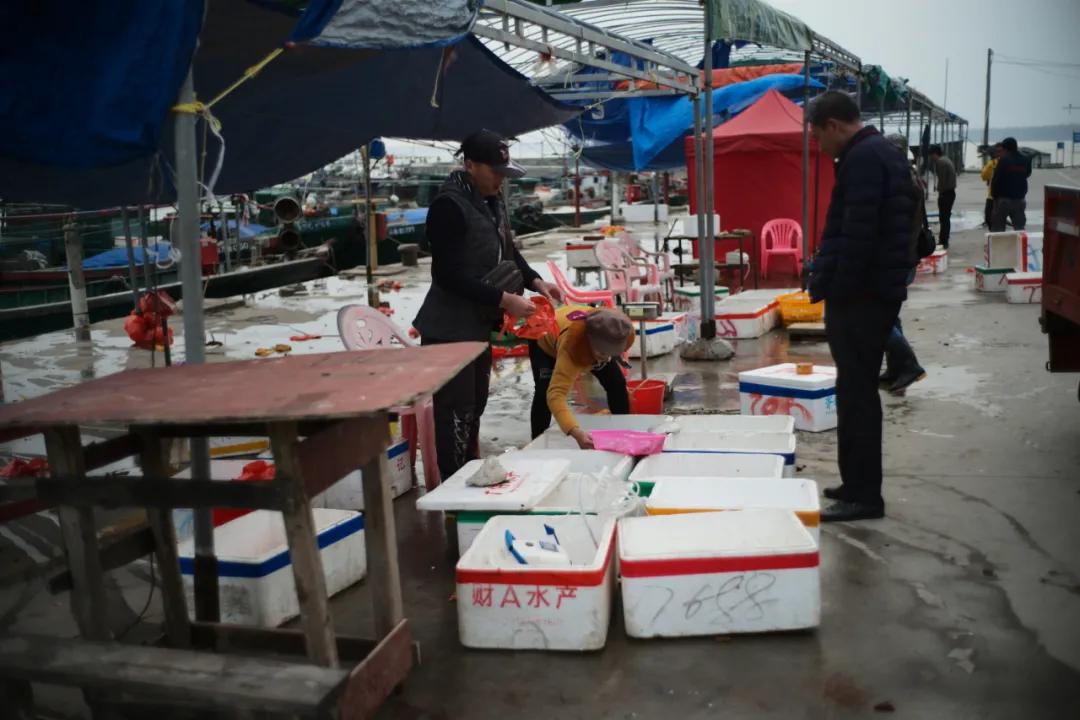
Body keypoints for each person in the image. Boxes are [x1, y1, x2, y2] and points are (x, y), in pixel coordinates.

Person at [414, 129, 563, 479]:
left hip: (477, 325)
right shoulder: (448, 207)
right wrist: (505, 299)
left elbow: (510, 252)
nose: (500, 179)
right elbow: (446, 274)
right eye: (494, 171)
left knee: (475, 406)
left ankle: (469, 476)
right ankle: (453, 491)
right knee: (455, 412)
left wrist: (536, 281)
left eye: (504, 172)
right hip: (449, 330)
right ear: (470, 165)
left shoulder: (492, 201)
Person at [806, 91, 918, 523]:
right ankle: (854, 482)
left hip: (863, 297)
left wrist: (839, 289)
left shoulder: (864, 159)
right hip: (874, 293)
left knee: (857, 396)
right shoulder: (876, 153)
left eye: (817, 134)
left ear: (834, 125)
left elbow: (858, 237)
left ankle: (865, 495)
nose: (818, 144)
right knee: (854, 392)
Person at [529, 306, 634, 449]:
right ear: (590, 343)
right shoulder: (572, 347)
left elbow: (609, 358)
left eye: (612, 353)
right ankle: (537, 445)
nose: (608, 359)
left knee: (616, 382)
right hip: (543, 337)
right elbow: (556, 395)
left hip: (590, 338)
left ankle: (623, 432)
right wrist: (576, 432)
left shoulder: (613, 331)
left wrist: (608, 354)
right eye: (603, 353)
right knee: (544, 392)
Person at [882, 134, 928, 395]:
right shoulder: (910, 177)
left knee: (879, 319)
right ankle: (897, 367)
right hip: (903, 258)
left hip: (897, 260)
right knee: (890, 315)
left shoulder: (900, 181)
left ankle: (909, 366)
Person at [990, 137, 1031, 231]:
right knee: (1019, 228)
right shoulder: (1025, 160)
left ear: (1006, 149)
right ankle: (1020, 245)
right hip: (1019, 199)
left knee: (998, 228)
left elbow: (996, 179)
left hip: (1003, 199)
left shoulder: (1004, 160)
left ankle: (999, 245)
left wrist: (994, 196)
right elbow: (1027, 174)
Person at [928, 145, 956, 249]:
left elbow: (943, 181)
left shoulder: (941, 162)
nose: (931, 158)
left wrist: (939, 190)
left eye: (931, 156)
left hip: (946, 193)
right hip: (950, 192)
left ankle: (943, 241)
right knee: (945, 218)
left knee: (944, 218)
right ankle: (944, 239)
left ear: (935, 154)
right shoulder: (946, 160)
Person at [980, 144, 1003, 228]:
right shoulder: (1007, 161)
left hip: (992, 195)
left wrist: (985, 167)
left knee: (989, 218)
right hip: (1006, 195)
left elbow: (984, 176)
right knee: (1001, 218)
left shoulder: (992, 163)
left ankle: (994, 234)